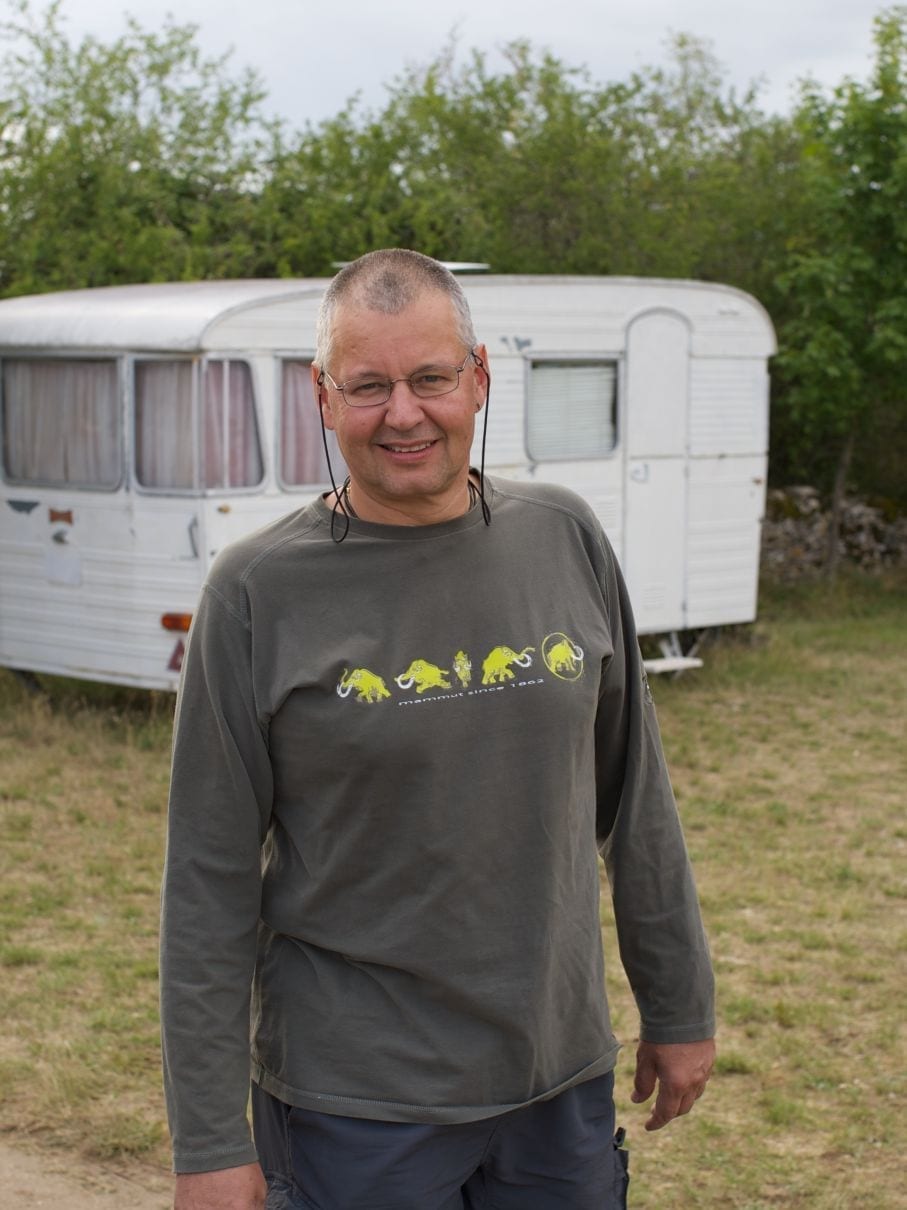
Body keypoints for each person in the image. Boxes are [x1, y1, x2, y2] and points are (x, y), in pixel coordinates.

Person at [160, 249, 716, 1210]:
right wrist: (209, 1138)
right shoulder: (257, 592)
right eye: (367, 386)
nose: (403, 414)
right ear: (323, 397)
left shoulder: (563, 536)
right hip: (355, 1104)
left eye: (430, 378)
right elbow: (206, 879)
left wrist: (678, 1002)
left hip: (557, 1078)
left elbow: (637, 800)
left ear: (479, 378)